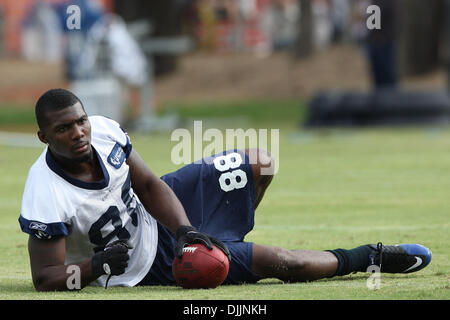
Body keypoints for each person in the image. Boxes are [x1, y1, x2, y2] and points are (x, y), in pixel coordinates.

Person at [19, 88, 432, 291]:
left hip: (157, 214)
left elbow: (146, 183)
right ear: (43, 136)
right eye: (63, 128)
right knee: (285, 263)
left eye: (80, 121)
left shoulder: (105, 131)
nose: (78, 133)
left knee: (260, 161)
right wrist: (98, 266)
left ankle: (226, 240)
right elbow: (45, 278)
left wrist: (182, 229)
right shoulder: (46, 192)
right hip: (142, 263)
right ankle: (369, 257)